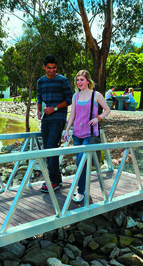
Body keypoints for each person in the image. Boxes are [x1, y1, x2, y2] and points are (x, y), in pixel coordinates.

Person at [63, 70, 111, 203]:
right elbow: (72, 115)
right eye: (77, 80)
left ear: (88, 81)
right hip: (77, 134)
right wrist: (67, 130)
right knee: (81, 163)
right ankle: (81, 189)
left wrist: (98, 118)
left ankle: (80, 191)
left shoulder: (96, 95)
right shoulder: (75, 96)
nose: (79, 82)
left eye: (82, 80)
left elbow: (107, 110)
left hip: (90, 135)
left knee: (80, 162)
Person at [37, 55, 73, 193]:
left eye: (54, 68)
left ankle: (53, 181)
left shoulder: (62, 80)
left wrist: (55, 108)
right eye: (49, 68)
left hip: (58, 118)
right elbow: (39, 98)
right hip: (46, 119)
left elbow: (69, 99)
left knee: (52, 148)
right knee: (47, 150)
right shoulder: (40, 81)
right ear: (44, 67)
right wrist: (39, 111)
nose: (51, 70)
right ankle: (56, 179)